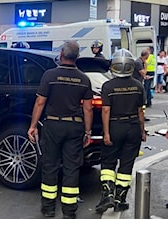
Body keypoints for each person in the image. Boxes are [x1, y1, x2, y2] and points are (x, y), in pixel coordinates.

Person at [27, 40, 93, 219]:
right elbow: (87, 108)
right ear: (77, 57)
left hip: (53, 125)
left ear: (62, 54)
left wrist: (33, 126)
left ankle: (48, 208)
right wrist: (88, 132)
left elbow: (40, 102)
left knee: (50, 165)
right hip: (75, 127)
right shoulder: (84, 79)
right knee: (72, 168)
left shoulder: (49, 75)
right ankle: (69, 210)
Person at [95, 49, 146, 213]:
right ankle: (120, 199)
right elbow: (140, 112)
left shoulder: (108, 86)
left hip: (115, 126)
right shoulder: (138, 85)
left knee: (108, 163)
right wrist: (142, 131)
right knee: (127, 164)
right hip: (133, 127)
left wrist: (107, 133)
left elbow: (105, 111)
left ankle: (107, 195)